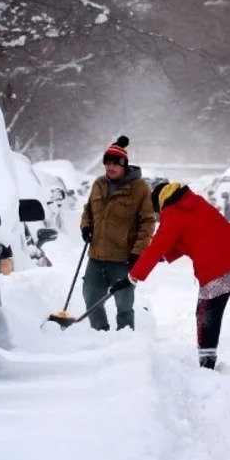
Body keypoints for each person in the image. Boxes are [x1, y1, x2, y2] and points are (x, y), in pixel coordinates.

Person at [110, 181, 230, 369]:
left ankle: (207, 363)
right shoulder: (194, 201)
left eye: (156, 214)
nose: (158, 218)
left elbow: (157, 246)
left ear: (159, 205)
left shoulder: (172, 214)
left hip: (217, 271)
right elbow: (190, 237)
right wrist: (162, 257)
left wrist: (132, 277)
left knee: (207, 316)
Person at [79, 135, 156, 331]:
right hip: (96, 256)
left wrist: (137, 252)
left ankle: (125, 343)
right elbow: (88, 209)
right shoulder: (99, 184)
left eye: (115, 164)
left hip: (123, 258)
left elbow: (147, 222)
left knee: (124, 305)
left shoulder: (139, 188)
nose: (110, 168)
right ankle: (101, 335)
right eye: (107, 164)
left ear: (124, 165)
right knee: (91, 299)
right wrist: (86, 227)